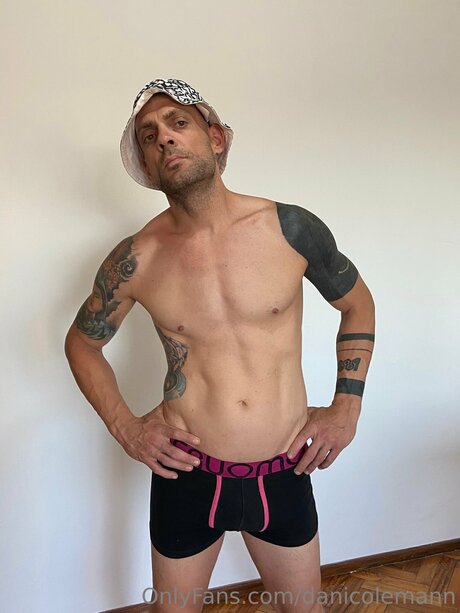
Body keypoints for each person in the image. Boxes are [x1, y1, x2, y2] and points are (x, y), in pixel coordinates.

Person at [65, 78, 375, 613]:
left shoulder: (291, 228)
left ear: (215, 138)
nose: (164, 138)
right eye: (148, 136)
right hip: (187, 474)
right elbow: (81, 344)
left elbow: (358, 305)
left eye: (178, 122)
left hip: (282, 469)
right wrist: (127, 428)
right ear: (146, 166)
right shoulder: (136, 258)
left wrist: (346, 407)